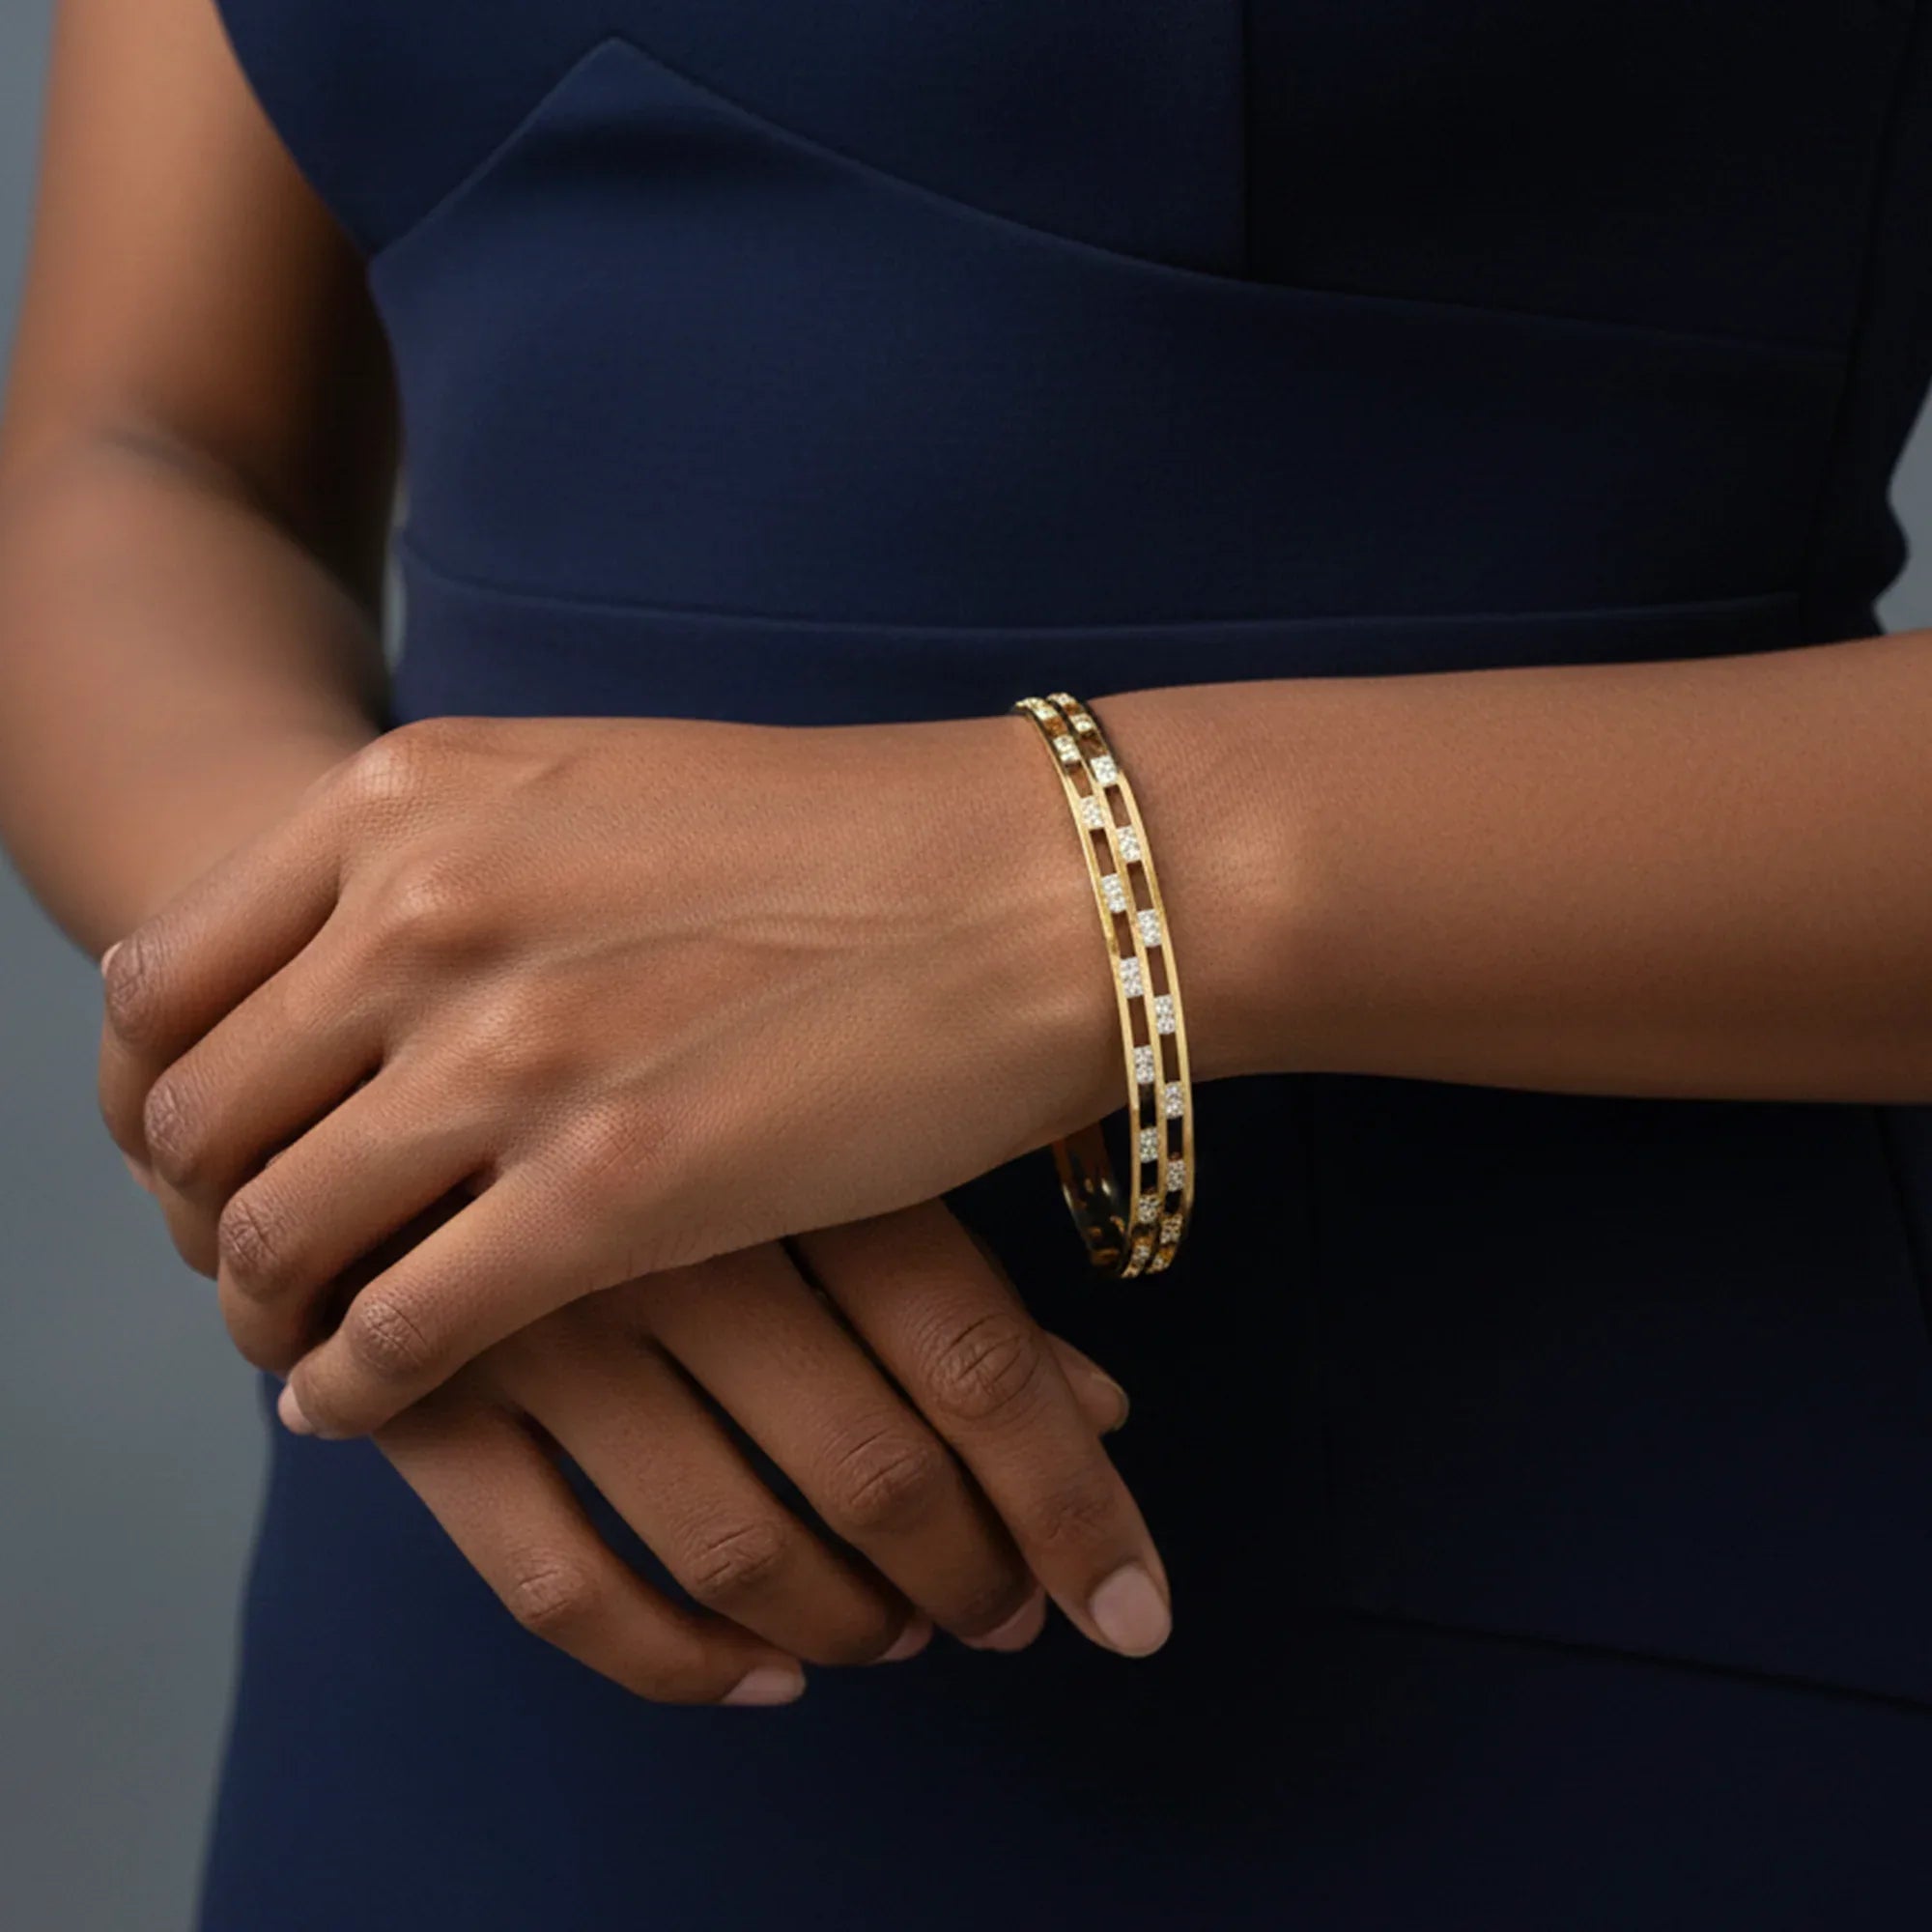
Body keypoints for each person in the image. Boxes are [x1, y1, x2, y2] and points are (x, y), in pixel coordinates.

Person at [3, 0, 1930, 1924]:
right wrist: (380, 1044)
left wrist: (1091, 878)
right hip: (515, 1564)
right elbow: (145, 444)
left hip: (1559, 1597)